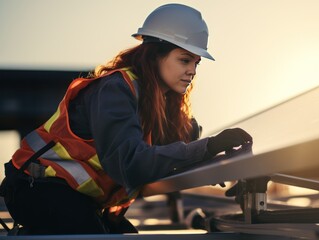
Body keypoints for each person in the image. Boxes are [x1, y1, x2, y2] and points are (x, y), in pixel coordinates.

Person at [0, 3, 252, 235]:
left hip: (79, 198)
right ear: (154, 56)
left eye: (196, 63)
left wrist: (214, 161)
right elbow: (130, 164)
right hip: (35, 189)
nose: (192, 71)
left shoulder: (162, 106)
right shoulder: (115, 90)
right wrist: (206, 148)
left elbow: (167, 158)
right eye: (184, 60)